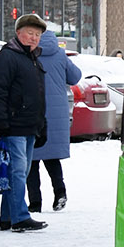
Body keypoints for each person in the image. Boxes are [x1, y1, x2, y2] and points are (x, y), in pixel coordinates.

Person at [0, 13, 50, 232]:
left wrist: (42, 124)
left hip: (29, 125)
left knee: (18, 172)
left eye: (38, 35)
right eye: (30, 33)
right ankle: (20, 217)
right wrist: (1, 121)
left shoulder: (33, 59)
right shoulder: (8, 57)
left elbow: (39, 96)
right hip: (14, 125)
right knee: (17, 171)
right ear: (18, 33)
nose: (34, 38)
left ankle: (8, 217)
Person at [28, 28, 80, 213]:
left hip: (34, 110)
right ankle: (60, 193)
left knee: (31, 160)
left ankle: (35, 202)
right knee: (52, 158)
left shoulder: (29, 53)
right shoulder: (60, 54)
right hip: (57, 112)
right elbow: (75, 77)